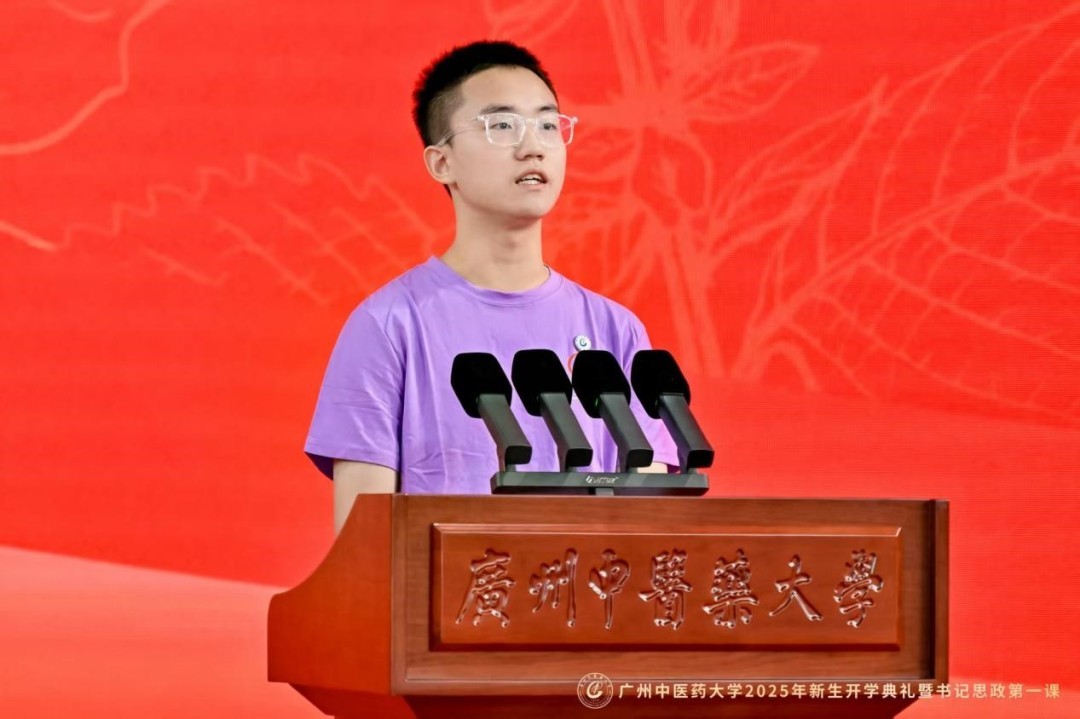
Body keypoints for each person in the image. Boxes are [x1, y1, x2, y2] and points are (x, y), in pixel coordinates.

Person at [305, 40, 677, 532]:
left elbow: (650, 527)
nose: (533, 146)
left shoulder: (616, 330)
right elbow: (364, 542)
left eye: (548, 124)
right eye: (502, 125)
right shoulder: (388, 326)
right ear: (442, 162)